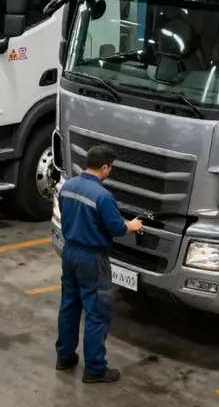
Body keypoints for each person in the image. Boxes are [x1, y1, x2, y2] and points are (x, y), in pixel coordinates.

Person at [55, 144, 143, 384]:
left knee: (69, 306)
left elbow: (67, 212)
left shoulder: (68, 186)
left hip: (70, 252)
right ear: (104, 167)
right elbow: (116, 228)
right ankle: (94, 369)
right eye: (110, 168)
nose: (109, 172)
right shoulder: (103, 196)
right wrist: (133, 225)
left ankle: (64, 357)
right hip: (92, 258)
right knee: (96, 312)